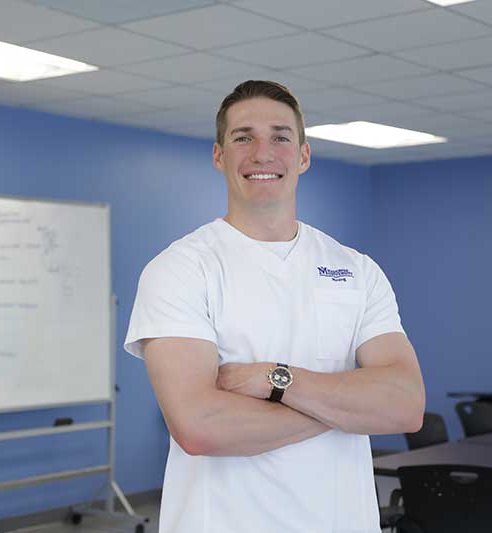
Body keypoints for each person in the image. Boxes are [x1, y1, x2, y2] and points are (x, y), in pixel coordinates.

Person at [124, 80, 425, 533]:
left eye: (280, 137)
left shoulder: (357, 270)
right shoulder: (181, 269)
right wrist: (349, 406)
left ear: (303, 156)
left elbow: (405, 406)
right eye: (243, 137)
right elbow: (200, 427)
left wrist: (275, 380)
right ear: (219, 156)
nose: (262, 153)